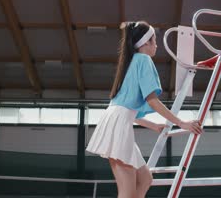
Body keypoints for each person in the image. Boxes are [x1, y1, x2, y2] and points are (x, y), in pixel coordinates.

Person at [86, 21, 203, 198]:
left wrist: (154, 126)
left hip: (117, 122)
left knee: (145, 179)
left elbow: (129, 111)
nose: (156, 45)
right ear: (145, 43)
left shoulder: (132, 62)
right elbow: (152, 100)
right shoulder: (144, 60)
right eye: (154, 40)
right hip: (118, 126)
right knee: (126, 192)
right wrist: (181, 123)